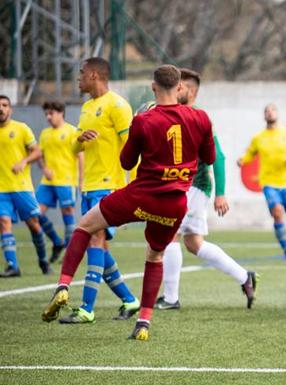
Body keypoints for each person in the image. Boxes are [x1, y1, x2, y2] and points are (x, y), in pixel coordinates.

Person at [42, 64, 216, 341]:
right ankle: (144, 322)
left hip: (141, 195)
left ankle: (63, 285)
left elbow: (126, 162)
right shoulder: (202, 118)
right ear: (180, 87)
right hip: (174, 204)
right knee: (155, 256)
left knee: (84, 226)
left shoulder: (145, 119)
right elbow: (209, 157)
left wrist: (139, 126)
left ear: (153, 87)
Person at [43, 57, 139, 324]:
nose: (78, 78)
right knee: (100, 248)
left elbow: (133, 147)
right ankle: (130, 300)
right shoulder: (86, 108)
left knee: (93, 240)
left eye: (82, 73)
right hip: (89, 187)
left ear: (95, 75)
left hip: (110, 187)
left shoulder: (118, 105)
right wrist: (79, 139)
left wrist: (134, 185)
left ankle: (86, 309)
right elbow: (75, 150)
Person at [157, 68, 257, 311]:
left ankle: (171, 299)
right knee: (193, 243)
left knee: (170, 236)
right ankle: (245, 277)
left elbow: (219, 157)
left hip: (193, 186)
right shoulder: (173, 115)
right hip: (183, 187)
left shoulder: (198, 118)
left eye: (178, 86)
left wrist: (220, 193)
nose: (174, 90)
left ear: (189, 91)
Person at [237, 104, 286, 261]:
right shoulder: (258, 138)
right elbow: (250, 153)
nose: (270, 113)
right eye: (267, 111)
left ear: (277, 113)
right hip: (269, 183)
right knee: (277, 212)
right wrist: (242, 160)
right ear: (264, 116)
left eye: (272, 110)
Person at [0, 95, 51, 277]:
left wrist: (23, 161)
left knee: (34, 225)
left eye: (5, 105)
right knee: (4, 223)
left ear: (10, 109)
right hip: (1, 190)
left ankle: (43, 261)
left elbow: (37, 151)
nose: (2, 109)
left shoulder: (21, 129)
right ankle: (13, 266)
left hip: (21, 187)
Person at [36, 100, 83, 263]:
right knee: (35, 213)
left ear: (61, 113)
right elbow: (39, 154)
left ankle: (69, 253)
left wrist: (81, 181)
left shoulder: (72, 131)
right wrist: (43, 168)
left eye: (51, 113)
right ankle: (57, 241)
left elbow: (81, 156)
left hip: (67, 181)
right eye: (46, 114)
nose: (48, 117)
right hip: (48, 182)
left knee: (67, 214)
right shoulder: (45, 134)